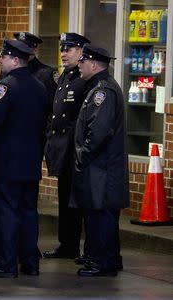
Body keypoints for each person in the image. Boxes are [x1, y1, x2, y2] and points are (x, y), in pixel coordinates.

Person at [0, 39, 48, 278]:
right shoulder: (39, 87)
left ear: (15, 59)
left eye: (4, 57)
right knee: (28, 212)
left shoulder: (4, 87)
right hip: (30, 162)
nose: (1, 61)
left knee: (6, 212)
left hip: (6, 163)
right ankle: (30, 262)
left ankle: (6, 262)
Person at [73, 44, 128, 277]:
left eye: (82, 62)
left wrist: (82, 154)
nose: (79, 65)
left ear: (93, 65)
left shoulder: (102, 92)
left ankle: (102, 263)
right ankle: (109, 259)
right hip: (103, 167)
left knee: (101, 216)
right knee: (104, 215)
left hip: (101, 168)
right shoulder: (101, 87)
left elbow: (98, 131)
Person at [43, 32, 91, 261]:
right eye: (62, 49)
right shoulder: (65, 77)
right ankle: (67, 245)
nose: (63, 53)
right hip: (62, 149)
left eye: (68, 49)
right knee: (65, 200)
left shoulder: (84, 79)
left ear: (82, 51)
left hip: (75, 150)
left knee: (77, 202)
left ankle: (78, 246)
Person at [14, 32, 58, 105]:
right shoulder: (9, 70)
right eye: (18, 48)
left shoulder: (47, 74)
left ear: (35, 50)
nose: (21, 51)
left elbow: (53, 106)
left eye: (25, 48)